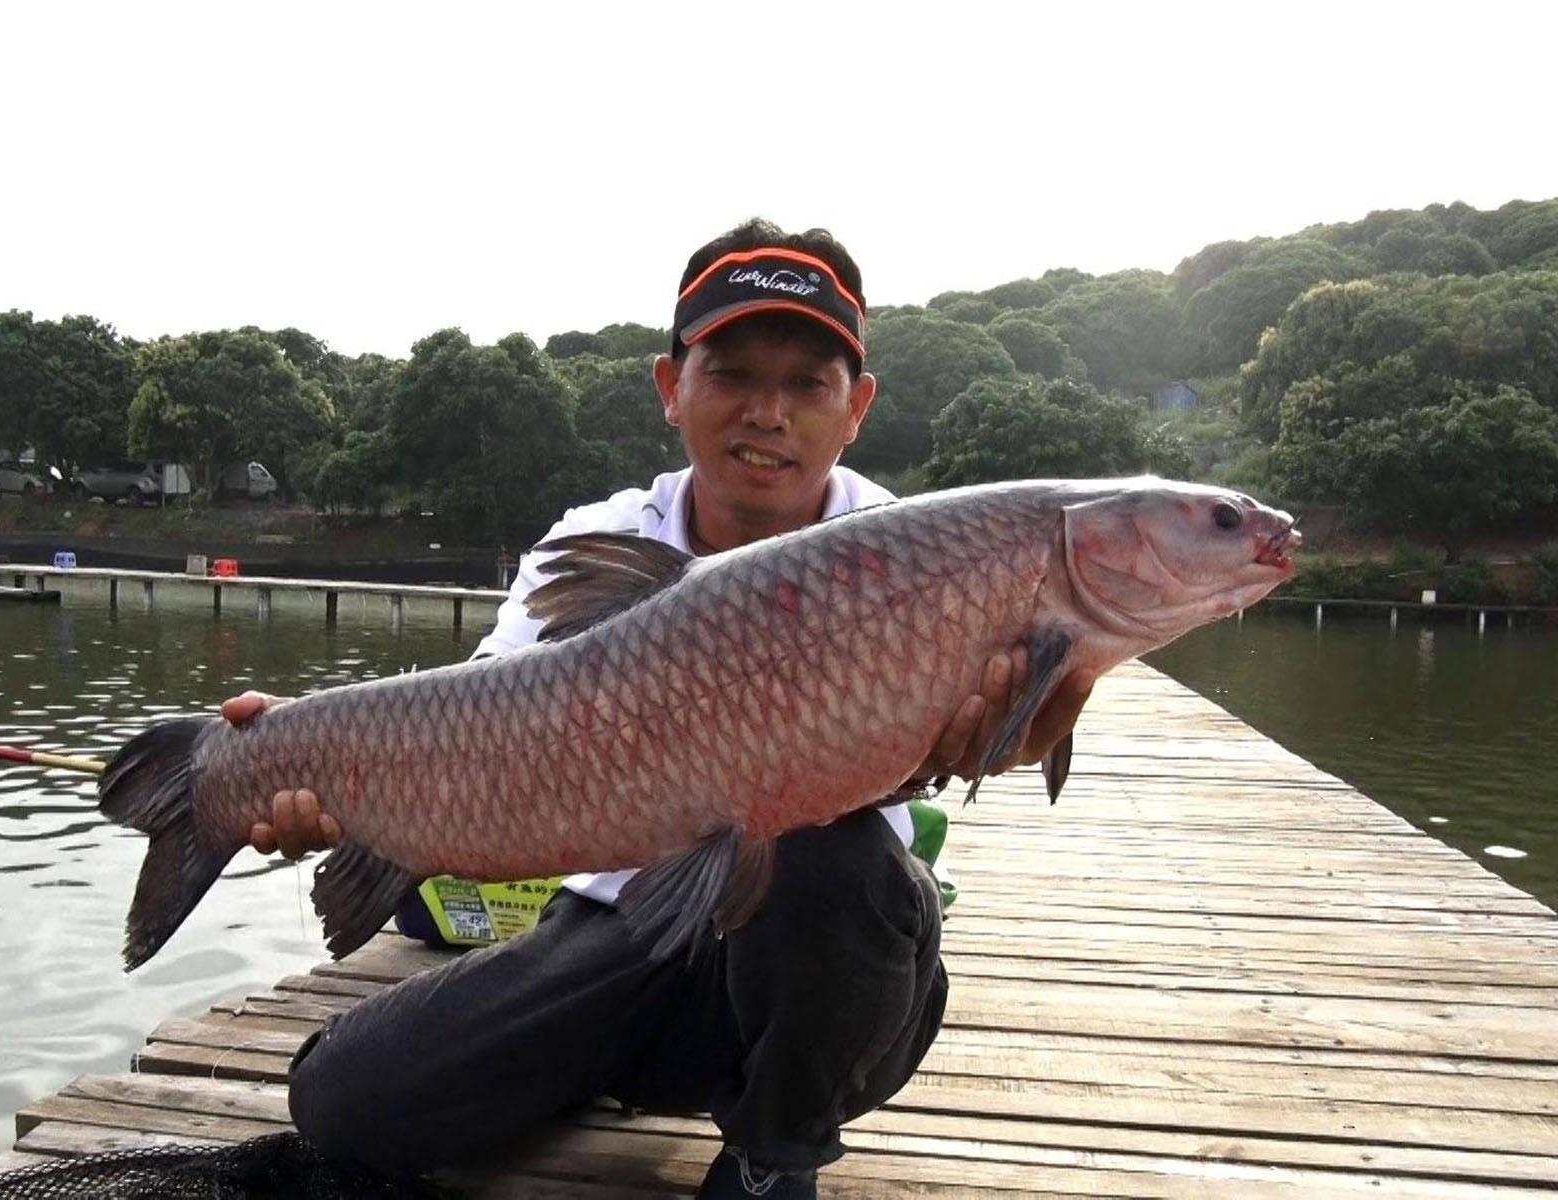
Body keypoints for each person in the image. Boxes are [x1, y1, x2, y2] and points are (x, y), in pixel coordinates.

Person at [222, 219, 1061, 1199]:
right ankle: (595, 1060)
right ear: (673, 388)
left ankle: (773, 1150)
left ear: (857, 407)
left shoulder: (913, 551)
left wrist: (998, 737)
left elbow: (973, 729)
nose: (769, 412)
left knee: (832, 856)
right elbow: (478, 717)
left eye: (807, 384)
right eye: (734, 374)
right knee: (343, 1104)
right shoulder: (602, 538)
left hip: (818, 944)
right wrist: (314, 759)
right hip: (627, 912)